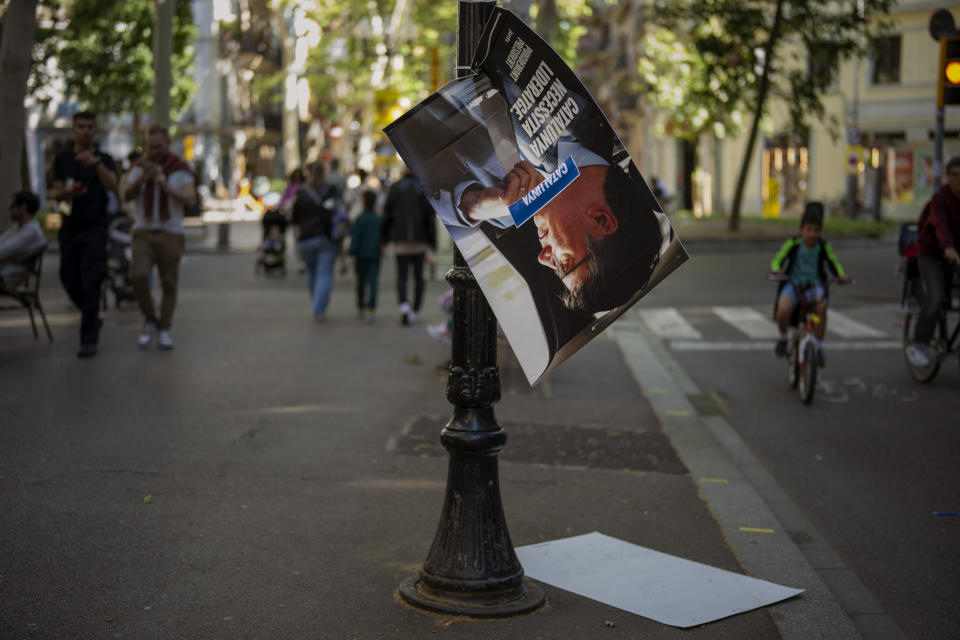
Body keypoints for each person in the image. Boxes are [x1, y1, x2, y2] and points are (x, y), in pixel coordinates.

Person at [122, 124, 196, 350]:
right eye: (150, 147)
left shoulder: (181, 169)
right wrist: (142, 179)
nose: (154, 151)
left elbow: (190, 200)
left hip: (171, 232)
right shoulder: (140, 167)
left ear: (169, 144)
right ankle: (149, 318)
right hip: (144, 230)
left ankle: (163, 328)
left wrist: (165, 186)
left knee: (169, 283)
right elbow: (126, 195)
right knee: (138, 275)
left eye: (158, 146)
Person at [52, 110, 118, 358]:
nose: (86, 131)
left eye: (90, 127)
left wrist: (96, 163)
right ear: (73, 129)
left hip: (95, 228)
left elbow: (113, 185)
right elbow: (57, 193)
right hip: (69, 227)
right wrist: (69, 192)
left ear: (95, 131)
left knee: (92, 282)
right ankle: (92, 317)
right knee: (68, 278)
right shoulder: (62, 158)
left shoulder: (105, 159)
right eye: (81, 126)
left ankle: (88, 338)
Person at [770, 204, 851, 365]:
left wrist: (840, 275)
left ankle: (818, 347)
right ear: (801, 230)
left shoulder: (823, 246)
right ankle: (783, 338)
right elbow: (778, 259)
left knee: (821, 308)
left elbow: (833, 262)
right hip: (793, 284)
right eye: (808, 229)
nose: (812, 234)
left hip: (815, 285)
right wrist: (776, 270)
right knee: (784, 308)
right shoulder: (793, 243)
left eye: (816, 230)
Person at [906, 156, 960, 368]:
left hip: (956, 256)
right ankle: (918, 344)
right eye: (954, 175)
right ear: (948, 177)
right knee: (936, 298)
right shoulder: (940, 199)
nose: (958, 180)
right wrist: (948, 246)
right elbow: (940, 224)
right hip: (932, 255)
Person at [381, 169, 436, 325]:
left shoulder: (396, 187)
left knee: (402, 275)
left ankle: (404, 305)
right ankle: (416, 310)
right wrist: (432, 243)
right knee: (419, 276)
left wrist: (384, 237)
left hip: (400, 239)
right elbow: (429, 217)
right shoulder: (424, 187)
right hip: (420, 240)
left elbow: (388, 214)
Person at [292, 161, 343, 321]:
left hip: (306, 239)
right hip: (327, 238)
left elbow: (294, 220)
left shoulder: (301, 193)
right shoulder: (332, 191)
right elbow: (340, 211)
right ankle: (318, 308)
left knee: (313, 274)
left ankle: (317, 304)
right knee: (324, 274)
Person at [0, 191, 46, 292]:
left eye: (12, 205)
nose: (10, 209)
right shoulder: (20, 228)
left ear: (23, 207)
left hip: (6, 277)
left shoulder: (31, 232)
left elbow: (2, 251)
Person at [349, 190, 383, 321]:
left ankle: (361, 304)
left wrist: (352, 252)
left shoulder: (360, 218)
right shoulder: (378, 219)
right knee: (373, 282)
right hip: (375, 254)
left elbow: (356, 237)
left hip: (361, 255)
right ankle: (371, 308)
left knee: (361, 281)